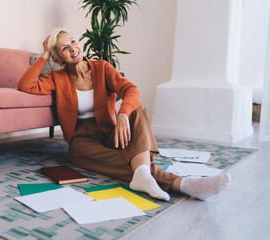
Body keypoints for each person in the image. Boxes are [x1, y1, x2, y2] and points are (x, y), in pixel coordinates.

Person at [18, 28, 231, 201]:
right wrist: (45, 53)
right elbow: (26, 85)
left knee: (137, 109)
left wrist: (122, 115)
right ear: (58, 57)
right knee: (134, 162)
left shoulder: (102, 68)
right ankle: (182, 184)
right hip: (81, 143)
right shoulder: (57, 77)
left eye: (73, 41)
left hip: (111, 134)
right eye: (64, 48)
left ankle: (145, 176)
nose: (73, 48)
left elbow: (132, 91)